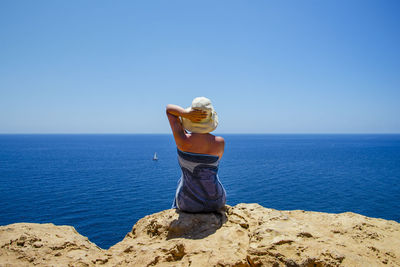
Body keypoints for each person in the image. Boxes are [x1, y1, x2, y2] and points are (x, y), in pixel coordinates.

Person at [166, 97, 226, 213]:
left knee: (184, 179)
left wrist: (185, 114)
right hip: (216, 201)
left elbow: (169, 110)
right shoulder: (220, 142)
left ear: (190, 119)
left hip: (188, 204)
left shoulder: (182, 140)